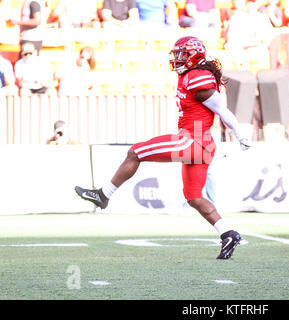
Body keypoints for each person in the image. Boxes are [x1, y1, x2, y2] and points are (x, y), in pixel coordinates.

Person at [75, 36, 251, 259]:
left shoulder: (198, 77)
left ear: (194, 55)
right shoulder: (190, 74)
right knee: (194, 196)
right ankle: (228, 233)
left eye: (182, 54)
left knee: (135, 152)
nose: (177, 59)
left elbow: (222, 110)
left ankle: (103, 195)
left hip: (193, 140)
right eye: (176, 54)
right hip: (200, 143)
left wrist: (240, 133)